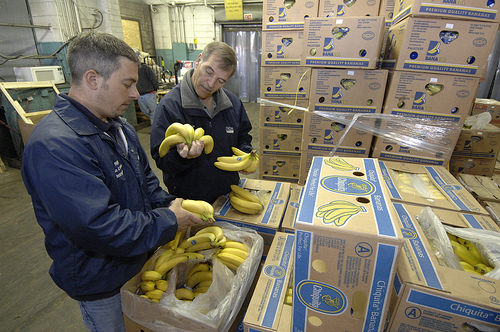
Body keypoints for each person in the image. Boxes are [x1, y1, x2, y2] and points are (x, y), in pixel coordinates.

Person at [21, 30, 205, 332]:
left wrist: (171, 205)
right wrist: (168, 221)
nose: (136, 93)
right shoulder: (55, 146)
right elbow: (98, 227)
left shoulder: (120, 129)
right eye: (128, 83)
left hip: (137, 262)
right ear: (93, 79)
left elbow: (146, 184)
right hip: (102, 282)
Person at [150, 41, 254, 204]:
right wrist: (182, 157)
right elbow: (161, 159)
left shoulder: (233, 104)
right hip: (189, 199)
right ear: (198, 60)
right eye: (208, 71)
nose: (211, 84)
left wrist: (246, 155)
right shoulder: (170, 106)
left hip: (228, 194)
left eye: (220, 80)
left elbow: (243, 137)